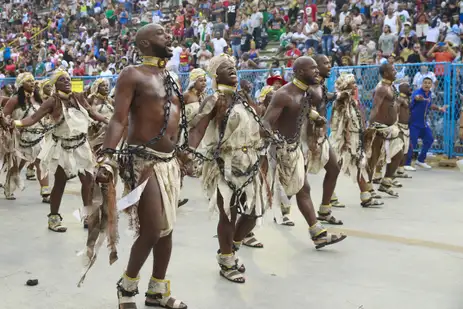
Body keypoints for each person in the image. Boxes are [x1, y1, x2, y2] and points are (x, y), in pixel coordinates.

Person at [95, 23, 188, 309]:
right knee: (150, 230)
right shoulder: (131, 74)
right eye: (161, 33)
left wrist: (184, 153)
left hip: (170, 163)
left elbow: (175, 121)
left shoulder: (171, 77)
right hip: (142, 161)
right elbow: (118, 119)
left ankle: (157, 291)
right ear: (145, 44)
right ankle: (126, 289)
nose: (168, 36)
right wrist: (108, 155)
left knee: (166, 229)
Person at [187, 53, 271, 283]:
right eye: (226, 67)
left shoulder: (242, 98)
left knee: (254, 212)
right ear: (216, 75)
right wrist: (186, 155)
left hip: (250, 161)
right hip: (225, 163)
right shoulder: (214, 100)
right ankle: (226, 260)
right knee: (229, 213)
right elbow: (196, 128)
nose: (232, 69)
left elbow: (257, 124)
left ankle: (231, 249)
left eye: (233, 66)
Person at [5, 69, 108, 233]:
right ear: (55, 84)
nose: (67, 81)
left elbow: (92, 112)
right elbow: (33, 119)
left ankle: (88, 216)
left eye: (68, 79)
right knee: (60, 183)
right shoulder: (51, 101)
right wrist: (15, 123)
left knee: (88, 181)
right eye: (62, 79)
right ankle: (53, 218)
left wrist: (106, 120)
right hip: (62, 147)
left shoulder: (78, 97)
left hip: (81, 146)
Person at [263, 56, 347, 247]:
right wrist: (273, 139)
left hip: (294, 149)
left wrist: (316, 117)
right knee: (260, 196)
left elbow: (304, 108)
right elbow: (266, 122)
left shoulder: (304, 92)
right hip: (280, 150)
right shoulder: (284, 94)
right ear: (300, 72)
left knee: (303, 189)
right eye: (313, 69)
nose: (318, 71)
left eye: (319, 68)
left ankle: (317, 232)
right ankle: (234, 240)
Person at [330, 73, 384, 208]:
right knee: (335, 168)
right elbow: (338, 122)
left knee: (360, 166)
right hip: (343, 141)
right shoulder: (340, 102)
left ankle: (366, 197)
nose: (356, 86)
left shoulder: (353, 102)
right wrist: (343, 141)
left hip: (355, 140)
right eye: (353, 84)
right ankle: (330, 196)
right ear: (346, 86)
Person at [302, 54, 344, 223]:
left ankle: (324, 211)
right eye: (326, 63)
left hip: (321, 137)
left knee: (334, 169)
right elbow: (299, 106)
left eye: (330, 62)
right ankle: (280, 209)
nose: (330, 66)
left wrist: (340, 95)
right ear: (316, 67)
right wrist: (312, 115)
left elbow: (325, 97)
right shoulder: (308, 87)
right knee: (298, 181)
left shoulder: (320, 85)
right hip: (305, 139)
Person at [1, 73, 51, 202]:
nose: (32, 83)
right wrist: (8, 122)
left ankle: (45, 192)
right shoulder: (15, 100)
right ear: (21, 84)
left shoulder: (39, 100)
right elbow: (4, 115)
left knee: (41, 163)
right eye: (29, 81)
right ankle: (9, 187)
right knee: (17, 166)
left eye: (33, 81)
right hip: (20, 138)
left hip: (39, 137)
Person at [365, 63, 404, 198]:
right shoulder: (381, 88)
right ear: (386, 73)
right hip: (379, 127)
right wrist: (371, 126)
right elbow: (375, 107)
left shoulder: (391, 86)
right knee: (373, 158)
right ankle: (368, 188)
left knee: (398, 153)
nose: (395, 72)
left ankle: (386, 183)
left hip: (391, 128)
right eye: (392, 70)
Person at [405, 77, 446, 171]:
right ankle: (406, 163)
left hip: (423, 124)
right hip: (414, 123)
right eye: (425, 83)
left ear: (431, 85)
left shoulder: (430, 94)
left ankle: (420, 160)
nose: (427, 84)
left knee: (429, 139)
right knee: (412, 143)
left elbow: (430, 105)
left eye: (429, 83)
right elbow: (416, 97)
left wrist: (439, 108)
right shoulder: (418, 93)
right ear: (422, 84)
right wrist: (418, 98)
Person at [395, 83, 412, 179]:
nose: (410, 88)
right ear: (401, 89)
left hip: (406, 127)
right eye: (407, 87)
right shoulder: (399, 99)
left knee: (405, 149)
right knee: (398, 149)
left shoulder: (406, 99)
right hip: (399, 126)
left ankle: (400, 170)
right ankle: (393, 170)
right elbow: (395, 110)